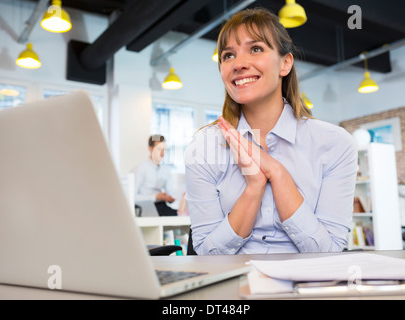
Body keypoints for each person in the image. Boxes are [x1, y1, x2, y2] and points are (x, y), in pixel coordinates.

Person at [184, 8, 358, 255]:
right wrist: (254, 188)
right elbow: (207, 256)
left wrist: (277, 173)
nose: (239, 64)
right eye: (228, 55)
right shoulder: (203, 148)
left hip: (307, 288)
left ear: (285, 63)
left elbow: (328, 253)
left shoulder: (335, 144)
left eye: (256, 49)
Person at [135, 134, 178, 216]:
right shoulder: (141, 168)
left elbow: (170, 193)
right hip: (146, 207)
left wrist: (170, 198)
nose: (162, 153)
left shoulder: (166, 170)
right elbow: (133, 197)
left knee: (181, 216)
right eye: (159, 149)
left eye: (164, 149)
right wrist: (156, 197)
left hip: (162, 206)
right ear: (150, 149)